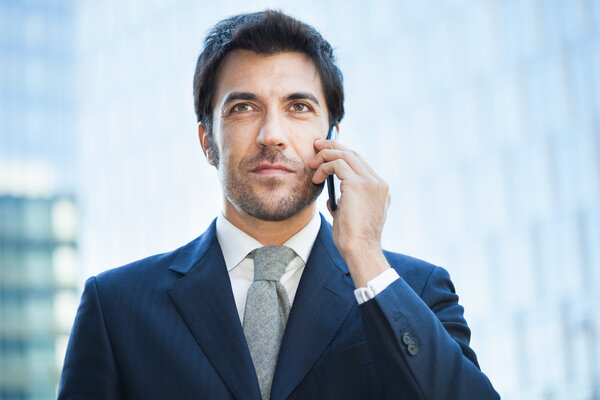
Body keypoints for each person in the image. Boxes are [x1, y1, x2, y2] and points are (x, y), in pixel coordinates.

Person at [58, 10, 499, 400]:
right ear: (207, 142)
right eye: (244, 107)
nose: (272, 133)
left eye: (299, 107)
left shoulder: (413, 291)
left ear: (332, 139)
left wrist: (365, 255)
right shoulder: (115, 307)